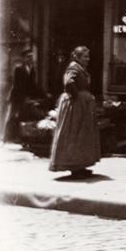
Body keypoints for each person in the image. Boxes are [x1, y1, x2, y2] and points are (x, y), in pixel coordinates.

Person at [49, 46, 101, 177]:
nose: (88, 59)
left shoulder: (80, 68)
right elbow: (68, 83)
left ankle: (80, 166)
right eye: (85, 57)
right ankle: (74, 167)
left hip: (80, 105)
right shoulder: (73, 67)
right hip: (75, 107)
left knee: (82, 135)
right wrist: (77, 96)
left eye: (88, 56)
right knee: (74, 134)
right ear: (76, 57)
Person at [2, 48, 45, 143]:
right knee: (11, 116)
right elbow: (17, 86)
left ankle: (17, 137)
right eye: (28, 57)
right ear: (24, 59)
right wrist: (24, 98)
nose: (30, 59)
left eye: (31, 57)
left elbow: (32, 85)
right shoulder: (18, 69)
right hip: (16, 97)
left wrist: (43, 94)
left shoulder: (32, 69)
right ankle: (4, 138)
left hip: (25, 97)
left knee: (21, 117)